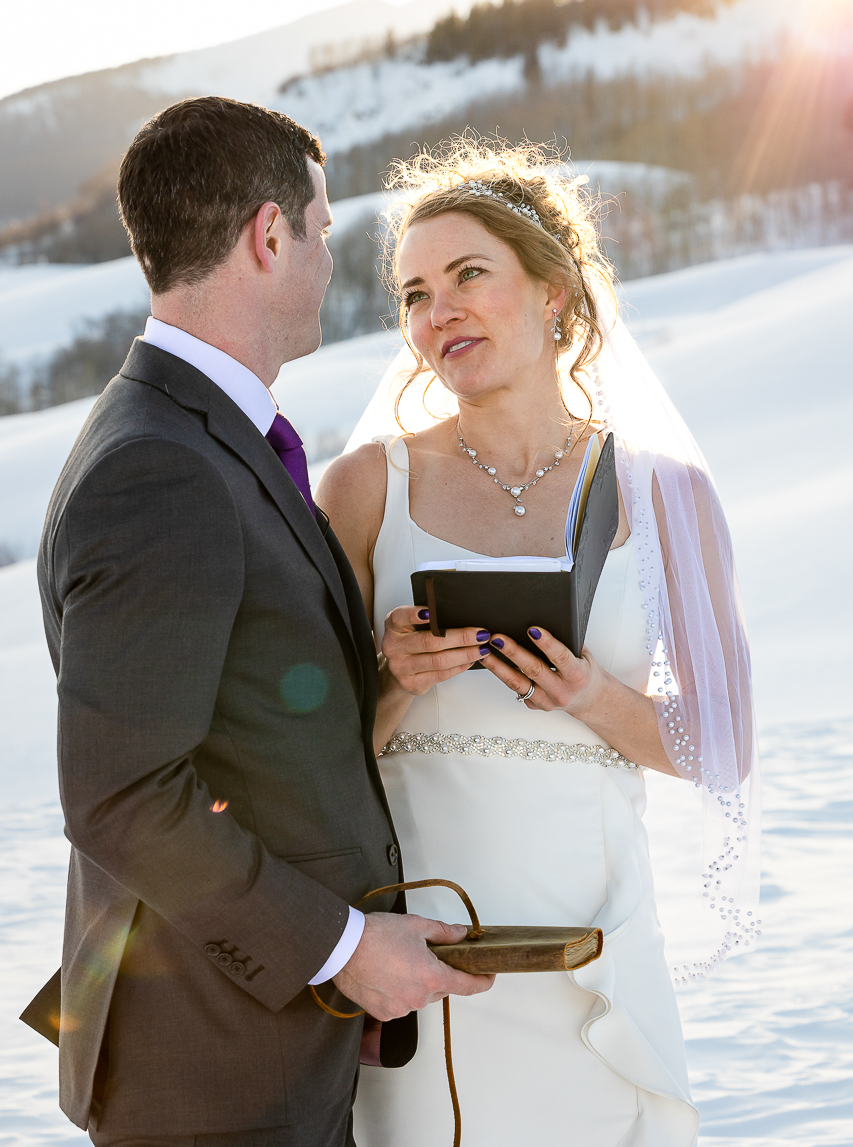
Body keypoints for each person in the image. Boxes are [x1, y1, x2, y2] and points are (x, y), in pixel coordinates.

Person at [23, 97, 492, 1147]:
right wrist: (341, 946)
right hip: (211, 1064)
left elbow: (228, 707)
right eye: (322, 233)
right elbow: (121, 795)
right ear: (268, 236)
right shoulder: (161, 464)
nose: (330, 261)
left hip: (250, 1039)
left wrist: (381, 673)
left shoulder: (191, 433)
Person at [318, 138, 759, 1147]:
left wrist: (589, 696)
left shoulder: (666, 495)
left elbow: (722, 743)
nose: (438, 312)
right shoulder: (361, 489)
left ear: (553, 289)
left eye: (468, 274)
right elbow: (298, 742)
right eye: (414, 292)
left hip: (593, 944)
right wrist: (392, 679)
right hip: (425, 943)